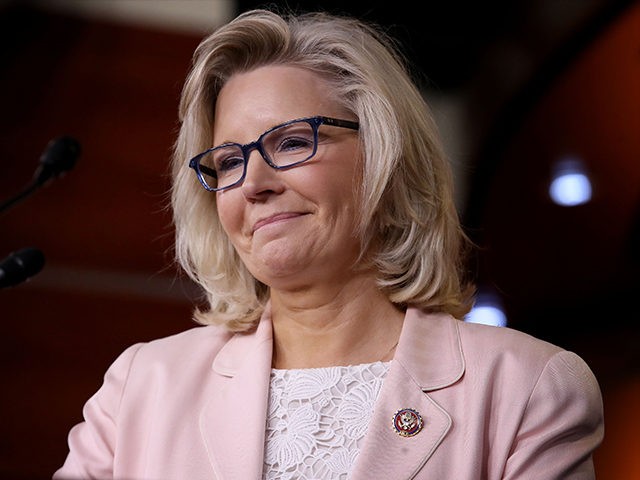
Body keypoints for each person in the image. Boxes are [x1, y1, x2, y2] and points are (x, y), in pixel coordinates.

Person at [54, 8, 604, 480]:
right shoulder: (141, 387)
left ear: (385, 158)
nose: (253, 184)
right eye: (228, 162)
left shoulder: (529, 387)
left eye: (292, 142)